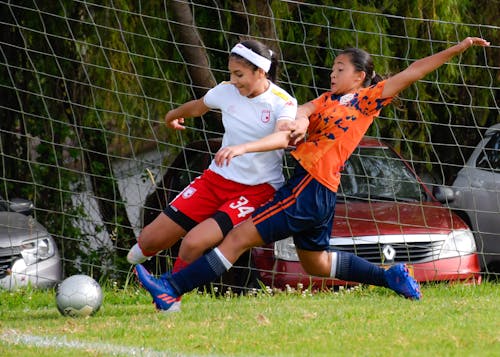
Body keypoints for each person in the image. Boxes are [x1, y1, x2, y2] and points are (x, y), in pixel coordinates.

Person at [134, 37, 490, 311]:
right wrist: (297, 125)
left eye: (340, 68)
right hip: (319, 192)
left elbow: (414, 71)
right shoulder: (323, 101)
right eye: (332, 69)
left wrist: (458, 48)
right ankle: (390, 276)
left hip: (308, 188)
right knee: (317, 264)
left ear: (359, 76)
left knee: (239, 236)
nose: (332, 74)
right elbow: (299, 113)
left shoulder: (368, 100)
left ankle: (171, 288)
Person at [127, 40, 298, 310]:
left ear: (261, 72)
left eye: (239, 75)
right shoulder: (227, 91)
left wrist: (242, 148)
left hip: (255, 190)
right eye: (231, 73)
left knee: (194, 243)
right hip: (215, 180)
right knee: (147, 241)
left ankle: (169, 297)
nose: (233, 81)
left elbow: (283, 136)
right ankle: (139, 281)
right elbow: (198, 106)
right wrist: (173, 114)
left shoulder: (282, 102)